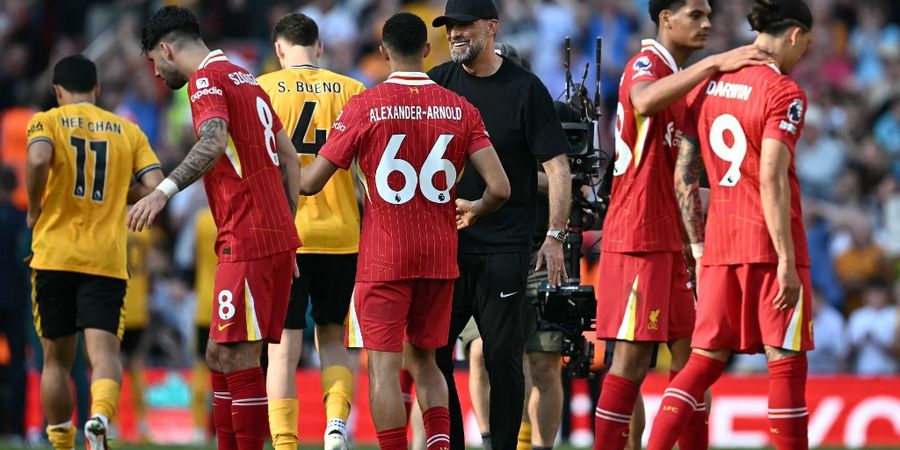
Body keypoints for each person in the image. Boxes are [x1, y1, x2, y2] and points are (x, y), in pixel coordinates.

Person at [299, 12, 510, 450]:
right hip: (438, 253)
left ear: (383, 52)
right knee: (428, 361)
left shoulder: (366, 106)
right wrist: (476, 208)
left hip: (384, 254)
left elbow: (310, 182)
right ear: (427, 51)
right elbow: (500, 188)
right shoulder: (460, 107)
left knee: (382, 366)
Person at [593, 1, 770, 448]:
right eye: (695, 13)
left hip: (672, 240)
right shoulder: (646, 64)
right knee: (631, 364)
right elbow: (644, 99)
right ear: (665, 17)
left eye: (709, 14)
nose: (707, 23)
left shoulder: (684, 79)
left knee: (695, 359)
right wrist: (714, 63)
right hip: (637, 236)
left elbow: (694, 170)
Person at [132, 6, 301, 450]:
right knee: (218, 353)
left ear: (167, 49)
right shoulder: (245, 77)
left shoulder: (205, 81)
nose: (155, 71)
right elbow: (289, 157)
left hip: (249, 233)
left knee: (238, 355)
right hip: (263, 233)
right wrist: (286, 231)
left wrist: (161, 192)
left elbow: (212, 140)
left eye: (154, 61)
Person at [649, 1, 815, 449]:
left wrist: (700, 247)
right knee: (785, 359)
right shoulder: (785, 93)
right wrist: (785, 258)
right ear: (796, 35)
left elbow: (684, 173)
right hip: (769, 242)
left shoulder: (710, 83)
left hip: (721, 244)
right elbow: (772, 176)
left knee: (702, 362)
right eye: (806, 46)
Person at [428, 1, 573, 448]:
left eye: (464, 26)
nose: (454, 33)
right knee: (433, 358)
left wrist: (553, 236)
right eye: (450, 26)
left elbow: (559, 167)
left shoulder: (525, 89)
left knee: (503, 360)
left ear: (492, 28)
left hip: (504, 250)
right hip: (444, 249)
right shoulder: (436, 83)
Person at [25, 54, 163, 450]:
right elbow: (155, 184)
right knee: (103, 353)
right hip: (105, 258)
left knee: (55, 361)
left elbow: (37, 158)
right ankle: (99, 417)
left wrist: (35, 208)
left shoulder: (47, 120)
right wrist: (123, 191)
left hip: (54, 253)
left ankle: (61, 443)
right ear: (97, 90)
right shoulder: (127, 130)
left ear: (57, 91)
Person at [256, 13, 366, 450]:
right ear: (318, 48)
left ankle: (285, 442)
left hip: (287, 235)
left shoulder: (262, 90)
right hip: (341, 234)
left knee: (283, 346)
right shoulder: (352, 90)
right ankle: (336, 425)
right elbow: (365, 176)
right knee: (334, 338)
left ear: (280, 50)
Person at [121, 229, 154, 442]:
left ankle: (111, 423)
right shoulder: (145, 231)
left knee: (110, 363)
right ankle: (142, 424)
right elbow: (150, 266)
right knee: (136, 365)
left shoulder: (112, 222)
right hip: (138, 307)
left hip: (116, 302)